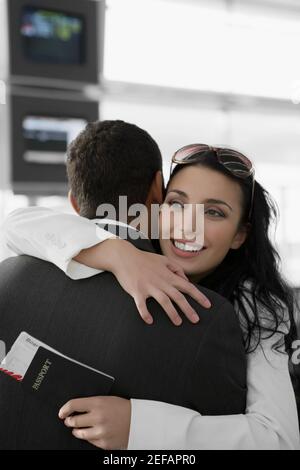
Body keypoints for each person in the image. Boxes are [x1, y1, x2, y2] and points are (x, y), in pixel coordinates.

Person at [4, 135, 300, 450]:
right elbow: (17, 224)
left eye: (214, 212)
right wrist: (117, 254)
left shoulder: (256, 306)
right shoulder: (129, 253)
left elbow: (279, 440)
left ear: (240, 235)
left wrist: (138, 426)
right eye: (177, 203)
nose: (189, 226)